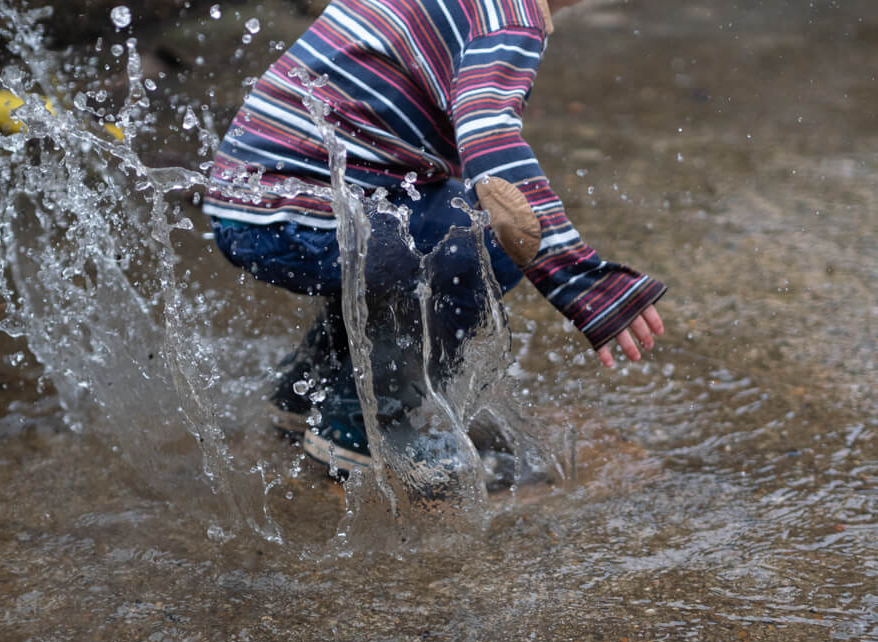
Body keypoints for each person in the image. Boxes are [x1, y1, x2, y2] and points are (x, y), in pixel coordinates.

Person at [203, 0, 666, 480]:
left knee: (424, 220)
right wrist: (578, 278)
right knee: (488, 242)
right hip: (304, 218)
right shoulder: (511, 16)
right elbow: (494, 158)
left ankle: (307, 388)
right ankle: (365, 426)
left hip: (251, 205)